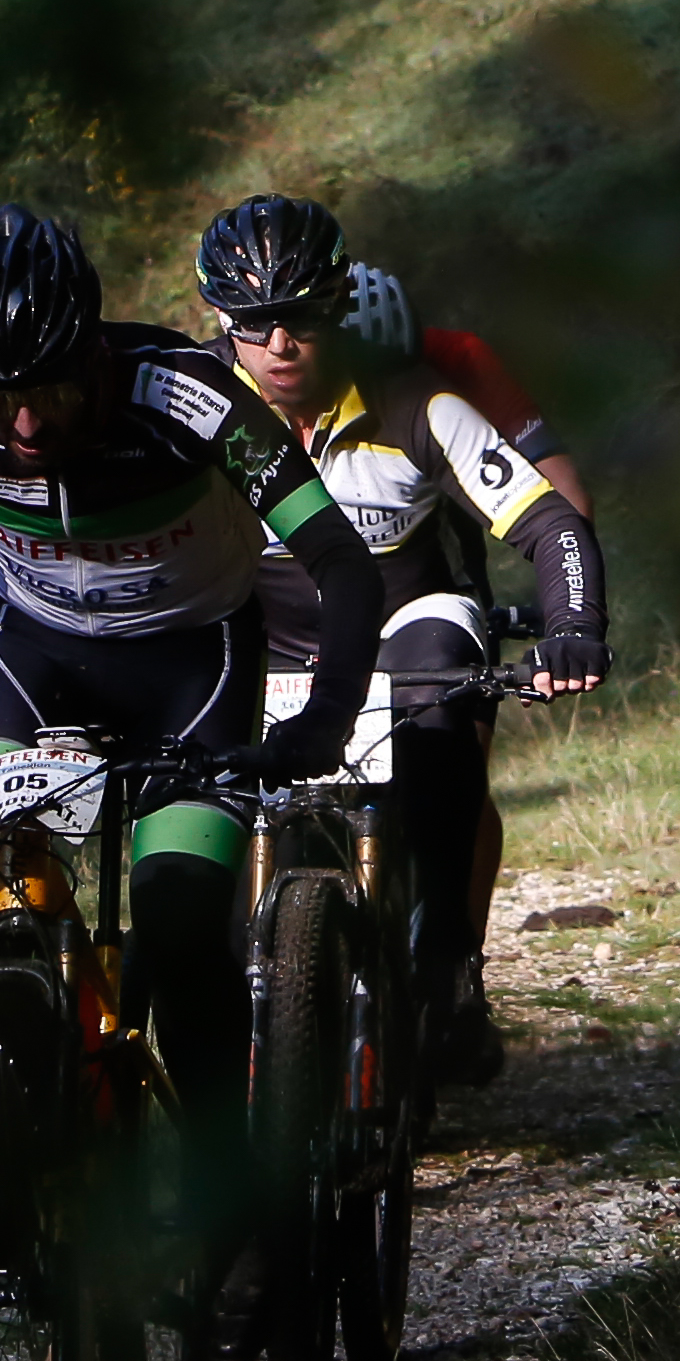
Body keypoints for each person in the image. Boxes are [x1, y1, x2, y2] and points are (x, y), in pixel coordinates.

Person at [0, 204, 381, 1317]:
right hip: (26, 656)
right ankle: (2, 1154)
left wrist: (327, 718)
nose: (24, 420)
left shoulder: (188, 396)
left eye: (50, 387)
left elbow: (342, 563)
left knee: (181, 917)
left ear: (94, 352)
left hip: (189, 666)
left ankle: (233, 1206)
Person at [196, 200, 611, 1088]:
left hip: (405, 618)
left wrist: (575, 628)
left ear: (337, 306)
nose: (279, 345)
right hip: (265, 634)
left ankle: (447, 952)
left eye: (301, 317)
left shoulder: (418, 400)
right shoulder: (195, 405)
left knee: (437, 701)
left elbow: (553, 525)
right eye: (254, 323)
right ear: (219, 321)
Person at [343, 262, 598, 956]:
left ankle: (460, 960)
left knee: (458, 764)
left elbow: (563, 495)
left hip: (438, 585)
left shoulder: (458, 362)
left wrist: (566, 600)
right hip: (313, 603)